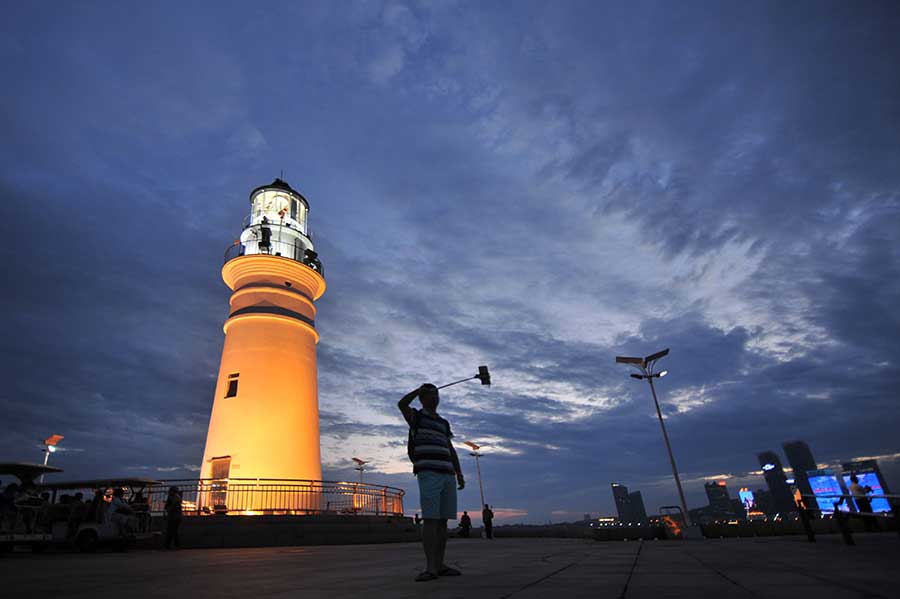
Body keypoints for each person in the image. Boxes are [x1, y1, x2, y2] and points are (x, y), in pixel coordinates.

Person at [399, 383, 465, 582]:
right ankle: (430, 568)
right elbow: (401, 404)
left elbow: (450, 448)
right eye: (431, 395)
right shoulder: (416, 417)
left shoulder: (444, 423)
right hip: (428, 473)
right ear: (423, 398)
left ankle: (440, 564)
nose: (435, 398)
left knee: (443, 521)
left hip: (447, 474)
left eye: (437, 395)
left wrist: (459, 472)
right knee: (430, 519)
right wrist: (417, 391)